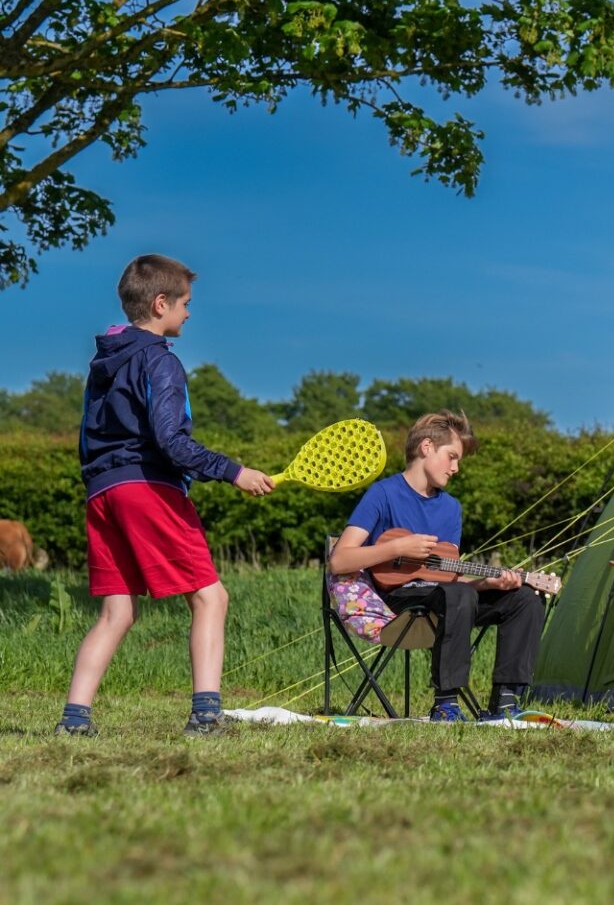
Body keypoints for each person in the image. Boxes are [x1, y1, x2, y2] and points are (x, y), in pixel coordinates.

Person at [62, 255, 277, 737]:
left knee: (117, 612)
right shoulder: (160, 360)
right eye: (186, 304)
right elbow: (171, 441)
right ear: (161, 304)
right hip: (146, 489)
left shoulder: (103, 364)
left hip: (102, 493)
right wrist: (233, 471)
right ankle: (205, 715)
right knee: (210, 597)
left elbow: (86, 438)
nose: (189, 313)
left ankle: (74, 720)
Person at [328, 411, 542, 721]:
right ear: (427, 447)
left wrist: (486, 585)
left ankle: (506, 702)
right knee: (457, 596)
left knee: (525, 599)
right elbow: (339, 559)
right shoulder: (383, 494)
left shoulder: (450, 508)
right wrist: (397, 547)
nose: (456, 468)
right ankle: (446, 703)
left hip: (446, 599)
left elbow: (448, 576)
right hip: (399, 601)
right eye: (452, 457)